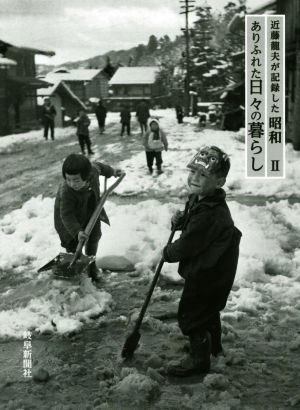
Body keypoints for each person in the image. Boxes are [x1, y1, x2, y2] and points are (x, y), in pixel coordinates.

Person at [163, 146, 242, 377]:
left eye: (203, 175)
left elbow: (189, 243)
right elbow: (192, 223)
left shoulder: (210, 213)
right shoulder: (201, 199)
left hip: (209, 273)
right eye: (193, 171)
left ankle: (198, 361)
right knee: (209, 310)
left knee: (192, 315)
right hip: (215, 270)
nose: (195, 178)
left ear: (219, 182)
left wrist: (169, 253)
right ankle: (213, 348)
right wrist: (180, 220)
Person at [54, 154, 123, 282]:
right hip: (68, 221)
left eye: (76, 180)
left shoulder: (93, 171)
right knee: (73, 244)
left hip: (91, 212)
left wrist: (112, 172)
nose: (71, 183)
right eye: (68, 179)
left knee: (94, 236)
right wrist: (77, 231)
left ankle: (92, 266)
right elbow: (66, 215)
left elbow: (100, 167)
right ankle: (75, 270)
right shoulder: (66, 191)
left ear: (87, 176)